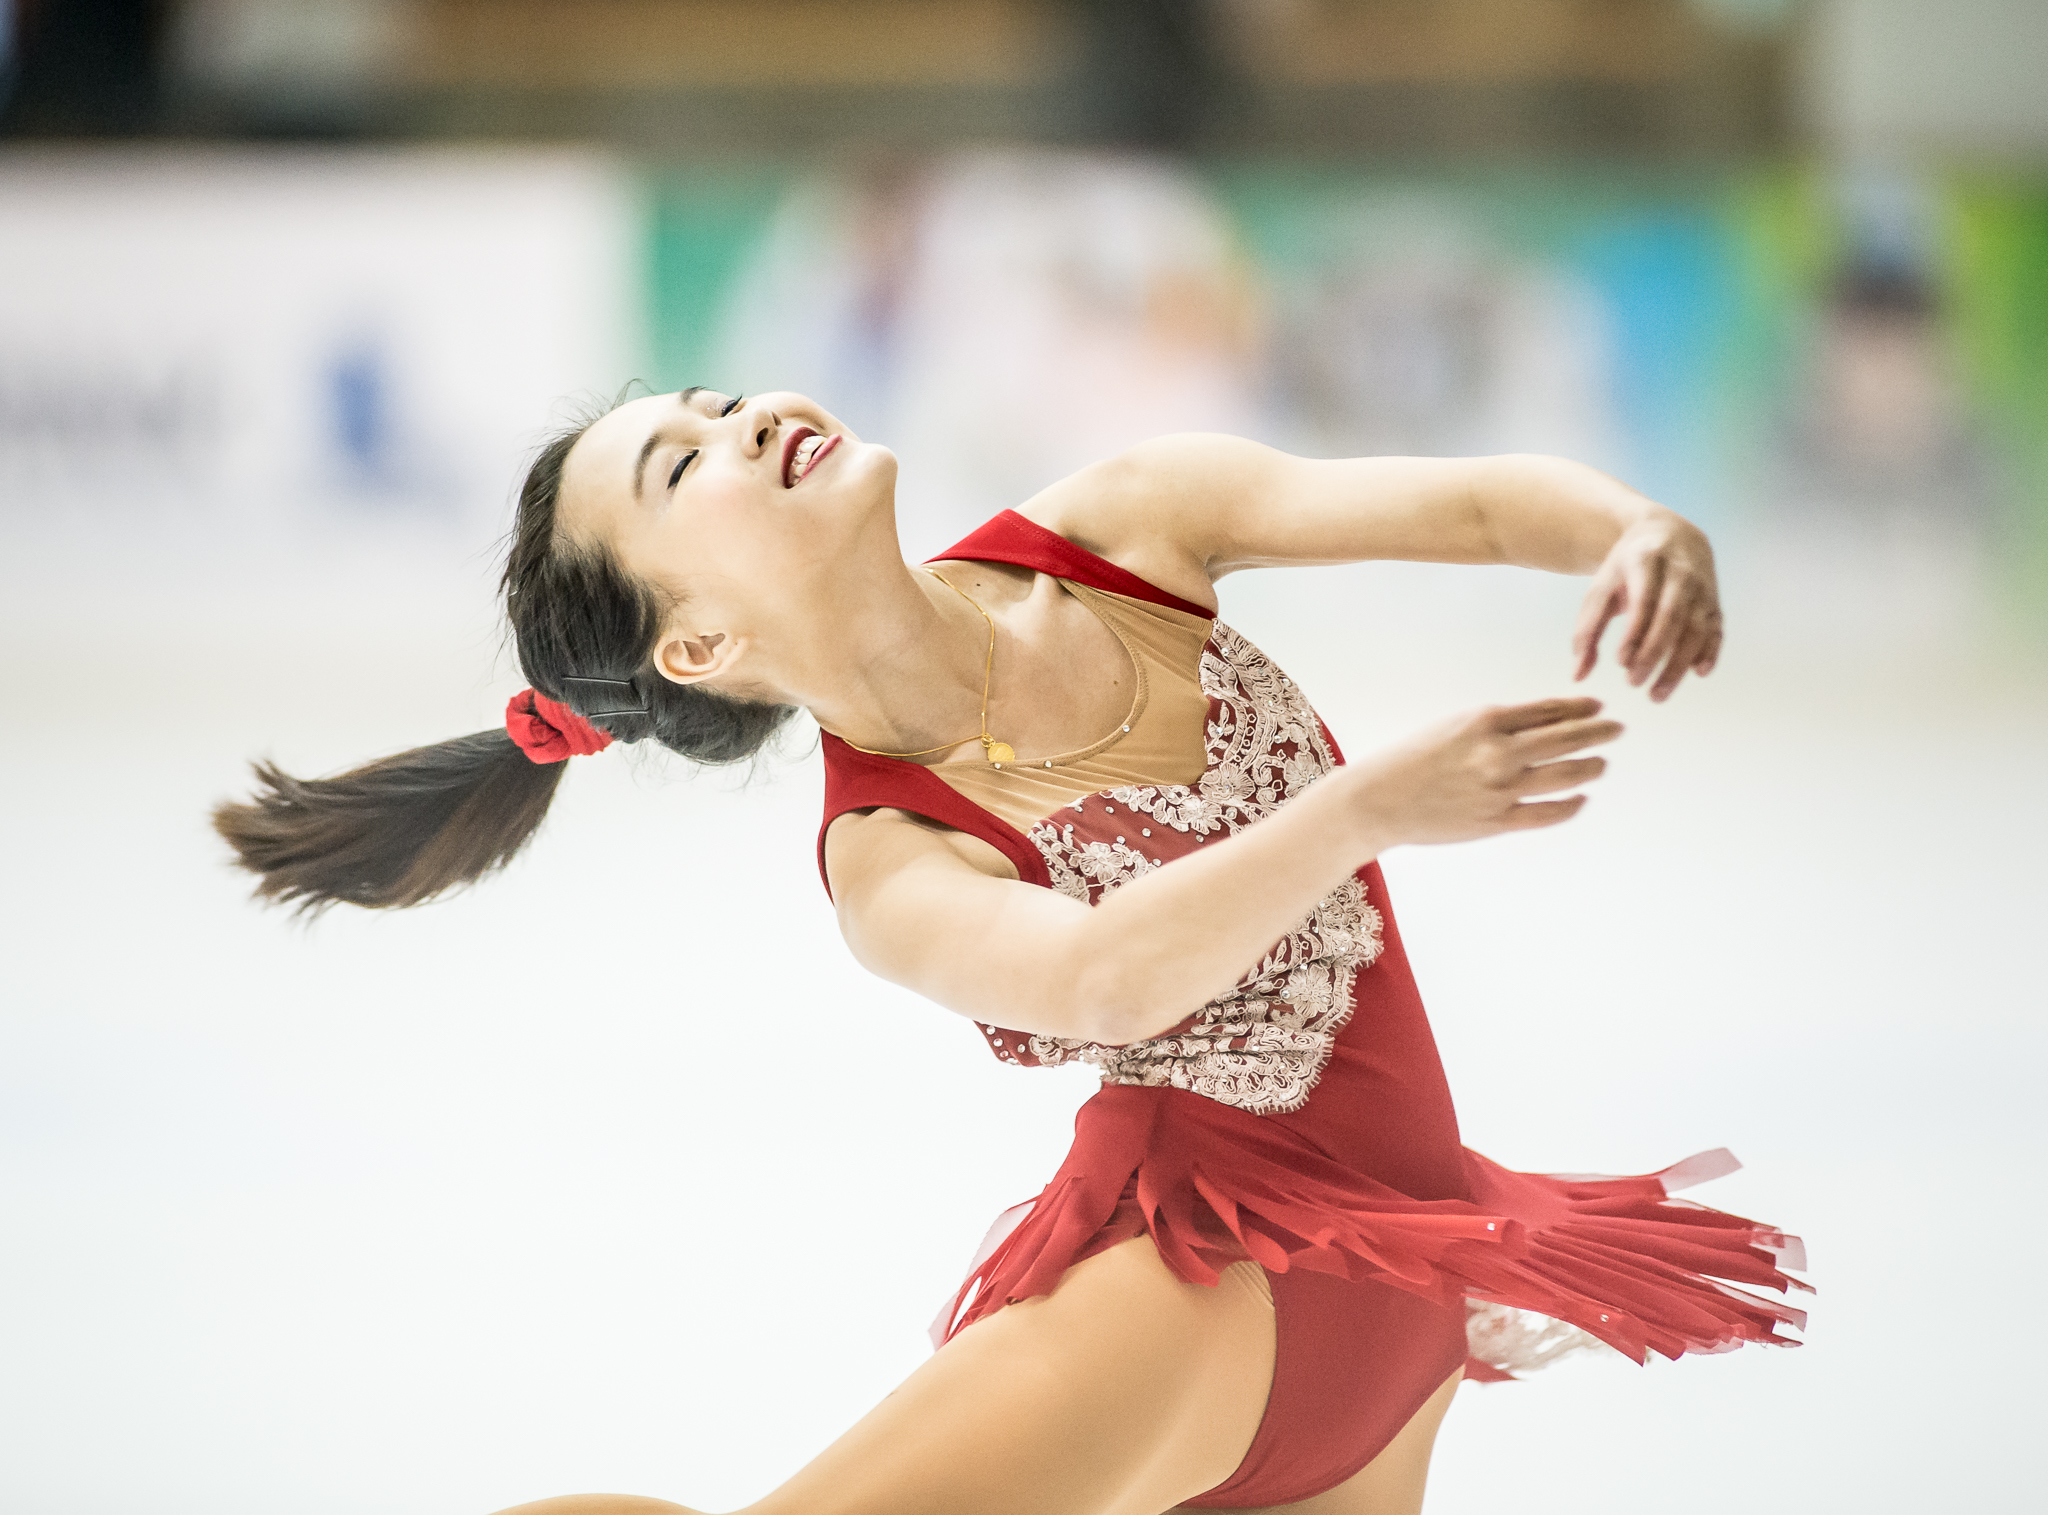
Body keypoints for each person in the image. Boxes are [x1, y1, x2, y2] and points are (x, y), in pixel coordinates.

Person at [215, 389, 1806, 1515]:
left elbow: (1457, 502)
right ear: (698, 646)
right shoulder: (887, 856)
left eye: (714, 397)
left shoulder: (1126, 523)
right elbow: (1108, 978)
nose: (744, 415)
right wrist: (1369, 806)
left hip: (1405, 1292)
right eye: (682, 463)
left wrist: (1632, 525)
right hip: (1191, 1298)